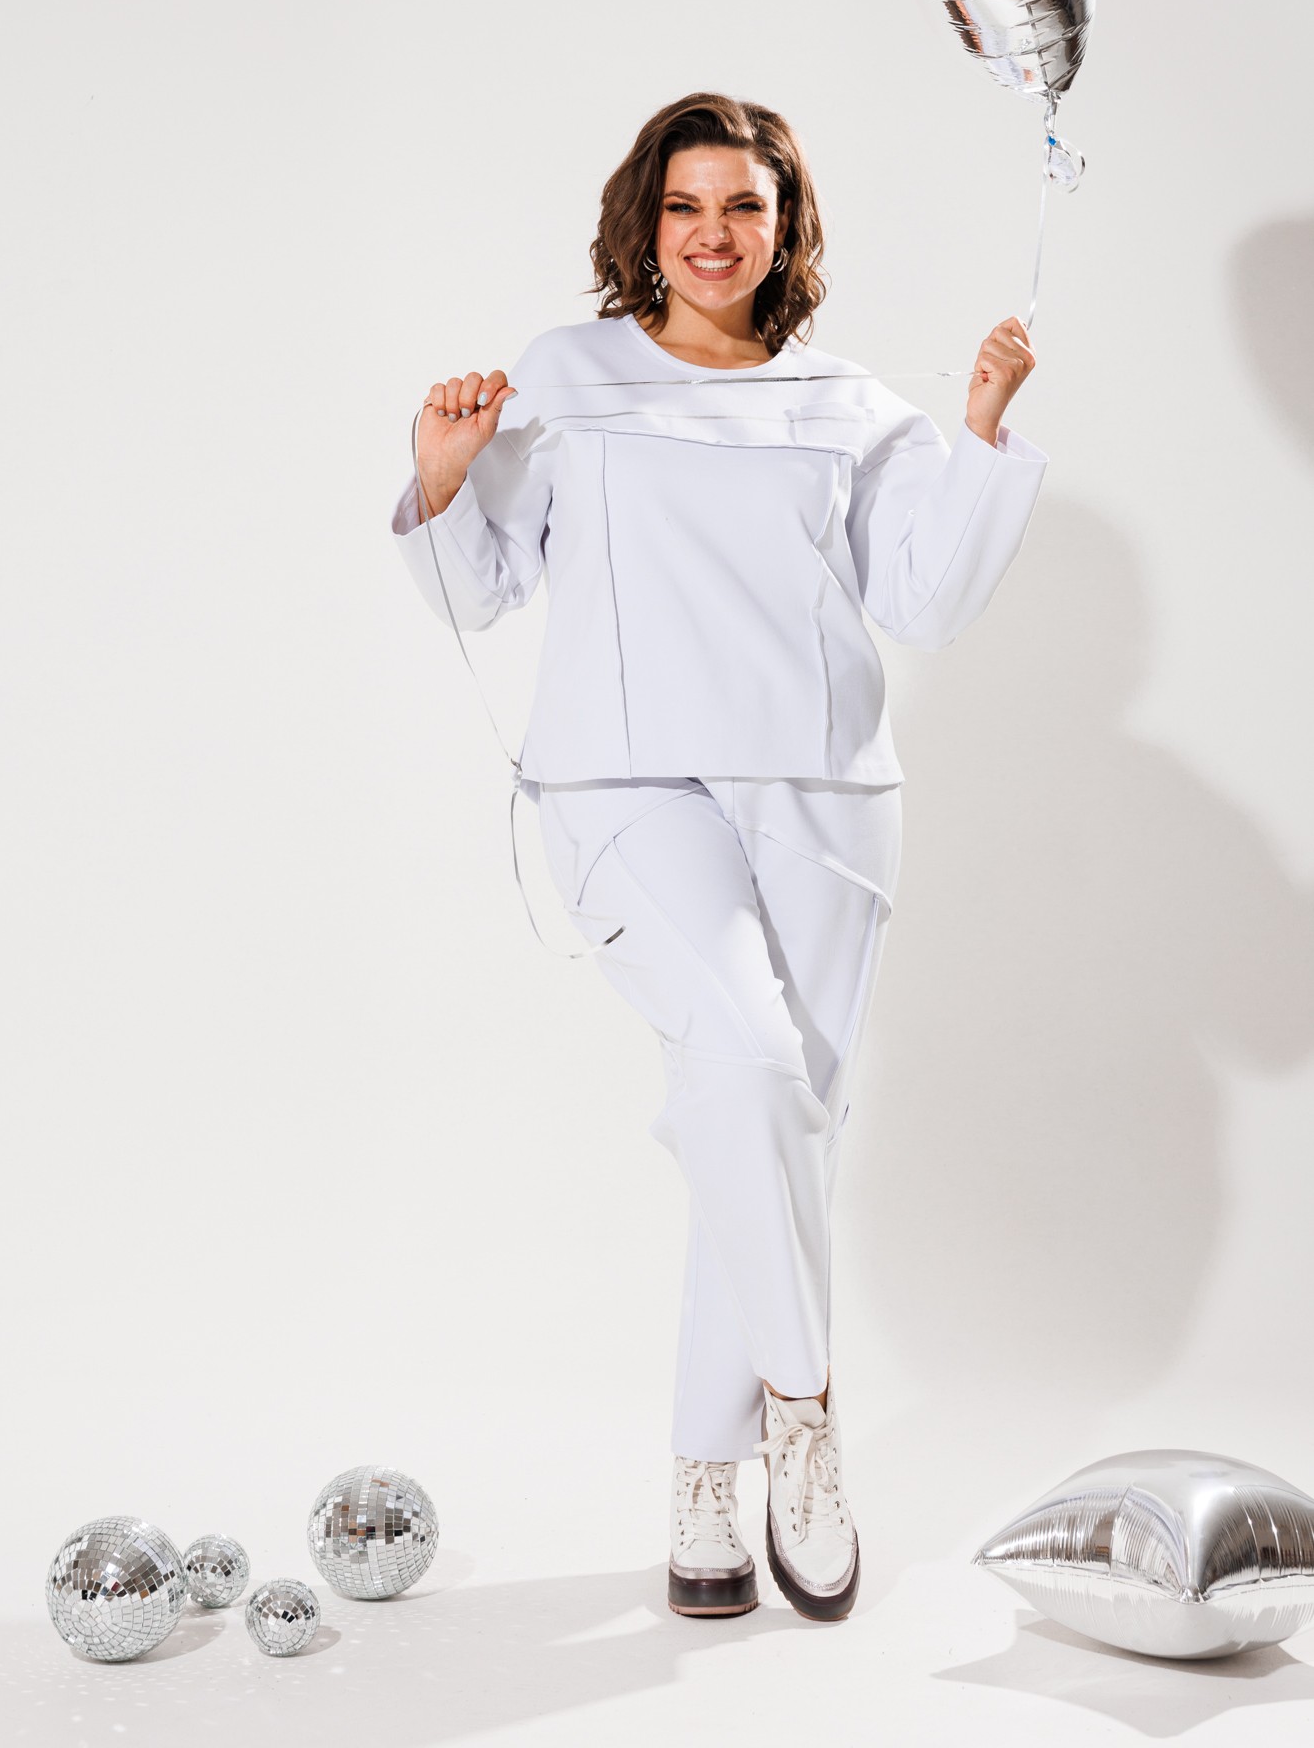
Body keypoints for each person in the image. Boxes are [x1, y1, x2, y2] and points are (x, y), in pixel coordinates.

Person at [390, 92, 1045, 1622]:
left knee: (764, 1130)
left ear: (783, 225)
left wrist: (979, 436)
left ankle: (702, 1478)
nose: (711, 234)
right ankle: (801, 1417)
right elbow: (478, 589)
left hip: (824, 791)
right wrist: (439, 473)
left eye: (743, 205)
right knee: (746, 1068)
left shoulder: (846, 404)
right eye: (685, 205)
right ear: (645, 221)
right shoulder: (567, 378)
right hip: (625, 784)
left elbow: (925, 601)